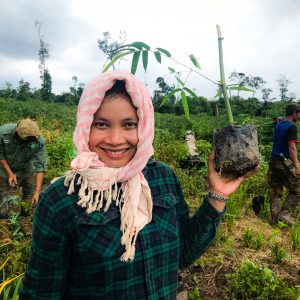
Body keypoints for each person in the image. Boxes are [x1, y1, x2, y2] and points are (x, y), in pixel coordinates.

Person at [19, 71, 253, 299]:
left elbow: (182, 255)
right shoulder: (60, 200)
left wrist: (217, 196)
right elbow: (40, 292)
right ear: (85, 125)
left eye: (129, 124)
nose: (115, 139)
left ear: (144, 126)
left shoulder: (163, 178)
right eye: (101, 124)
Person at [0, 119, 46, 218]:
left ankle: (25, 215)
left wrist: (38, 192)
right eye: (28, 139)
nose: (31, 141)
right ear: (18, 133)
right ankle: (3, 216)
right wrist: (10, 173)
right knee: (3, 194)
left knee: (30, 191)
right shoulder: (3, 133)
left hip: (26, 168)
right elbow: (1, 154)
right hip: (4, 167)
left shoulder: (39, 141)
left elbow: (40, 166)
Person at [268, 103, 300, 225]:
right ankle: (284, 214)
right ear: (294, 113)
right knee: (297, 189)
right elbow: (292, 147)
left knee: (276, 189)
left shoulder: (279, 124)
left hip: (273, 161)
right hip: (284, 162)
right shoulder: (292, 127)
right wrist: (297, 165)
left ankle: (275, 219)